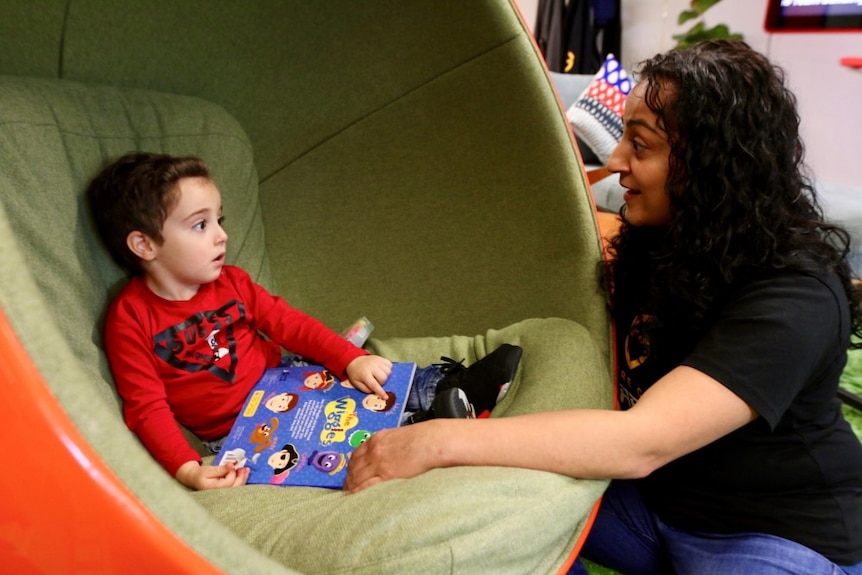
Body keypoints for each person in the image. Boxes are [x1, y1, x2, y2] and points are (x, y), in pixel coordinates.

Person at [344, 40, 862, 575]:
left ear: (715, 164)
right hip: (653, 503)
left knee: (455, 456)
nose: (615, 162)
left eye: (640, 146)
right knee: (477, 508)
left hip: (770, 530)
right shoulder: (665, 241)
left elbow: (643, 442)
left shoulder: (796, 296)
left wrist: (438, 442)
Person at [87, 152, 522, 491]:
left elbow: (289, 324)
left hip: (287, 378)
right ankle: (427, 430)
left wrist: (349, 358)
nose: (221, 235)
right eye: (200, 225)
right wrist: (185, 468)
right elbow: (146, 405)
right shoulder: (131, 318)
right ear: (144, 244)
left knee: (365, 380)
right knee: (334, 446)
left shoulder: (232, 282)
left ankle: (449, 387)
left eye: (220, 220)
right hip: (241, 432)